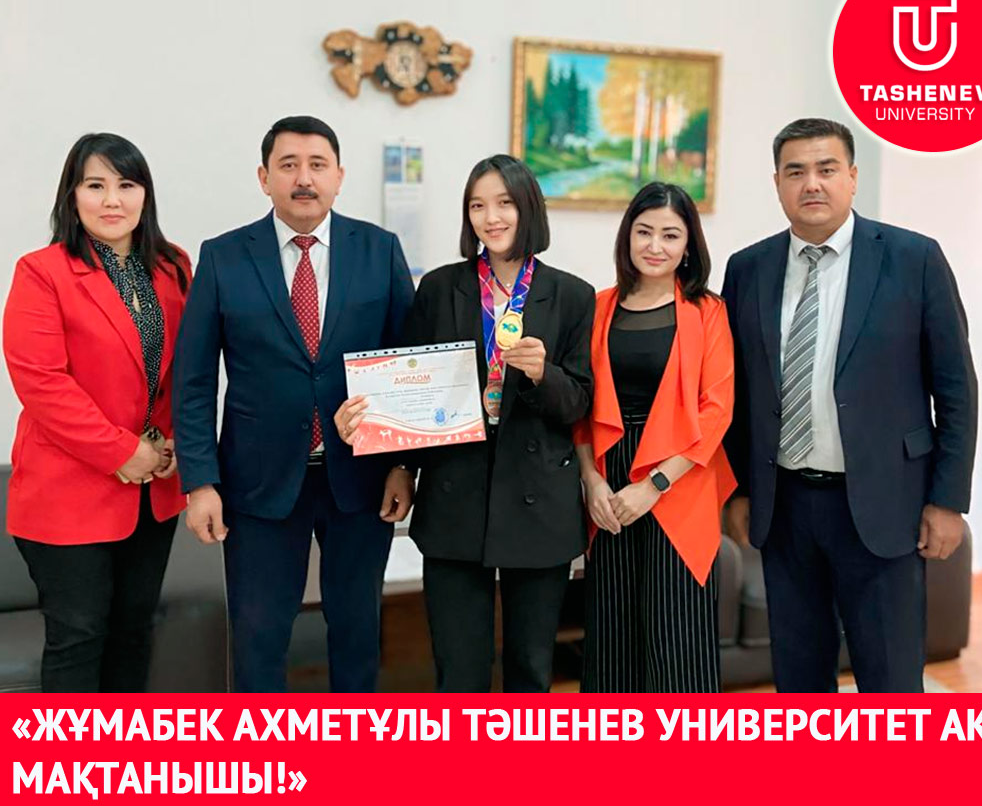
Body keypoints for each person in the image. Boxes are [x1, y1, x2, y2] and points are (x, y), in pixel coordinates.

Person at [721, 118, 977, 692]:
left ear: (853, 177)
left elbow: (956, 389)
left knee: (890, 683)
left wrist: (947, 500)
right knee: (799, 680)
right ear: (777, 183)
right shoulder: (748, 268)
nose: (811, 183)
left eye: (827, 168)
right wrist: (738, 490)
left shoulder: (913, 258)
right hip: (785, 508)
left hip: (886, 504)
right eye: (795, 172)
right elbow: (737, 391)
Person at [173, 115, 415, 693]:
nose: (303, 179)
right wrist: (200, 482)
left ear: (339, 176)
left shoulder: (378, 250)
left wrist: (404, 464)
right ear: (264, 178)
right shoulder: (224, 256)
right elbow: (194, 380)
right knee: (258, 637)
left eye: (317, 165)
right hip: (257, 483)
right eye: (288, 165)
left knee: (357, 631)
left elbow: (409, 363)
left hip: (360, 478)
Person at [335, 154, 594, 692]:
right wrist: (400, 466)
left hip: (538, 499)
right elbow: (408, 385)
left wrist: (543, 374)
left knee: (530, 669)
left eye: (503, 203)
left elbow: (580, 403)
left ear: (529, 208)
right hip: (456, 490)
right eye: (477, 205)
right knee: (458, 670)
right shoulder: (439, 287)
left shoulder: (573, 295)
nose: (490, 217)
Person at [3, 132, 190, 692]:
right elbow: (42, 383)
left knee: (134, 634)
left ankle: (120, 749)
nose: (112, 200)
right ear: (72, 195)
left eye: (126, 185)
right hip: (68, 489)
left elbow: (189, 367)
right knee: (78, 636)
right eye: (95, 185)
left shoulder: (173, 266)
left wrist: (176, 444)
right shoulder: (42, 271)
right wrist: (122, 452)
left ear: (145, 194)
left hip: (154, 490)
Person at [573, 183, 735, 692]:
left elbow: (717, 410)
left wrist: (654, 485)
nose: (655, 246)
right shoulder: (597, 307)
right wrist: (591, 483)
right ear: (627, 236)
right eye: (644, 232)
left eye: (670, 235)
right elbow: (580, 405)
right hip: (609, 479)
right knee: (612, 636)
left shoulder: (708, 311)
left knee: (677, 639)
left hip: (679, 478)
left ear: (688, 245)